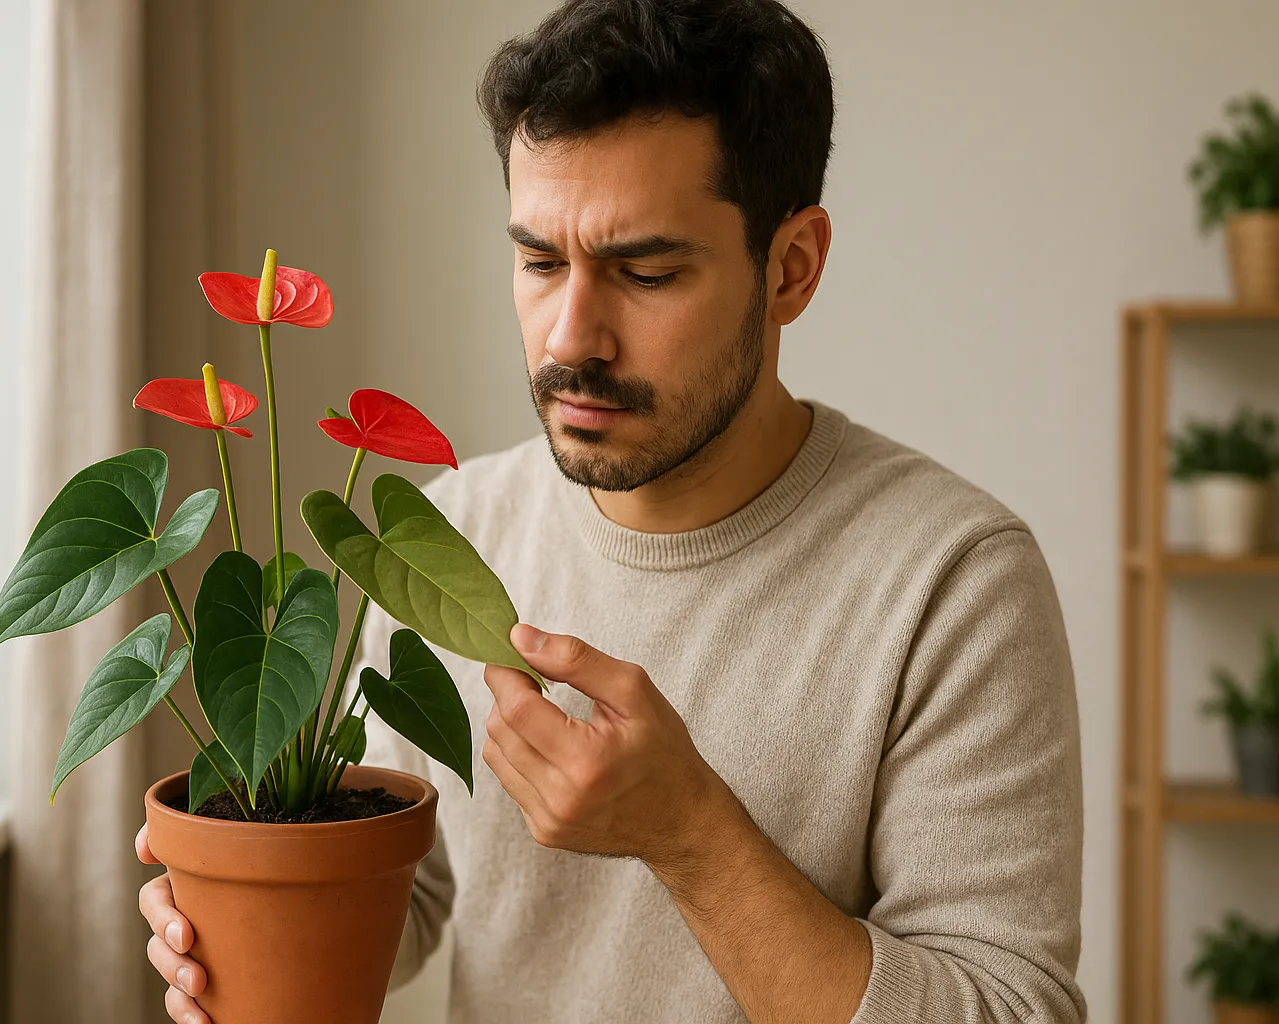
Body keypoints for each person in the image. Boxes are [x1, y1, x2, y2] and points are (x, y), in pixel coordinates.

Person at [136, 1, 1087, 1021]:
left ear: (792, 267)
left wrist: (689, 834)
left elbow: (1008, 1009)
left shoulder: (951, 580)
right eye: (541, 262)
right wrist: (236, 912)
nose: (572, 335)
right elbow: (407, 894)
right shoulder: (446, 539)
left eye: (645, 271)